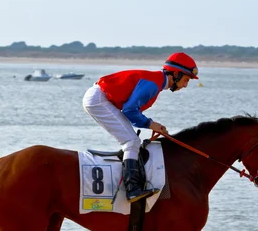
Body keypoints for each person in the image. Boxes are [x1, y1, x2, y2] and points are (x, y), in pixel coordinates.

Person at [82, 52, 199, 203]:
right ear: (175, 74)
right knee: (131, 142)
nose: (185, 85)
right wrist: (151, 124)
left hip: (100, 98)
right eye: (185, 79)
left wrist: (152, 125)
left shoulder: (156, 82)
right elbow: (130, 111)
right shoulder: (153, 84)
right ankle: (132, 190)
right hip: (99, 100)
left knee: (132, 140)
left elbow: (131, 113)